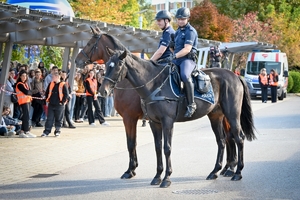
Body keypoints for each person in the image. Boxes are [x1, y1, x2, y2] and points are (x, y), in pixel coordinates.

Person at [172, 7, 198, 118]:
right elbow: (175, 49)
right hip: (177, 59)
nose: (181, 21)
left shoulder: (190, 31)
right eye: (179, 19)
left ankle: (191, 104)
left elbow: (187, 49)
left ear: (187, 19)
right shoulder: (177, 31)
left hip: (187, 59)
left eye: (183, 19)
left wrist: (174, 55)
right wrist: (171, 48)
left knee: (185, 75)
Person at [41, 72, 69, 137]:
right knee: (49, 118)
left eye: (53, 77)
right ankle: (46, 131)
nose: (52, 78)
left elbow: (66, 95)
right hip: (51, 104)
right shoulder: (50, 84)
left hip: (59, 105)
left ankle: (57, 130)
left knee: (58, 118)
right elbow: (47, 92)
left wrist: (62, 102)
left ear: (57, 77)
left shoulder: (63, 84)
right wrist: (47, 99)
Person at [15, 70, 36, 138]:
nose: (24, 77)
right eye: (23, 76)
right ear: (20, 76)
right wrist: (32, 91)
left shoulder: (25, 84)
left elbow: (28, 92)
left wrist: (30, 92)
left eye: (25, 76)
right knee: (26, 117)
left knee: (26, 116)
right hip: (23, 102)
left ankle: (23, 131)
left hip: (27, 102)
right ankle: (25, 131)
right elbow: (26, 92)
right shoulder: (20, 84)